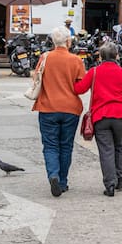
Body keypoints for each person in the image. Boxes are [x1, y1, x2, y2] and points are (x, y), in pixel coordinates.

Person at [74, 41, 122, 196]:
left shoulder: (94, 72)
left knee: (106, 151)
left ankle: (110, 184)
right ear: (117, 55)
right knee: (119, 147)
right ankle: (119, 179)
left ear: (100, 57)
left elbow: (79, 89)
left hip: (101, 116)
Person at [31, 25, 86, 197]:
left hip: (47, 107)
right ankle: (62, 182)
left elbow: (36, 78)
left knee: (50, 145)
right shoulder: (76, 60)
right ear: (68, 41)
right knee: (66, 146)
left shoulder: (45, 58)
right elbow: (80, 88)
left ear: (54, 42)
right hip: (70, 109)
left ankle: (53, 175)